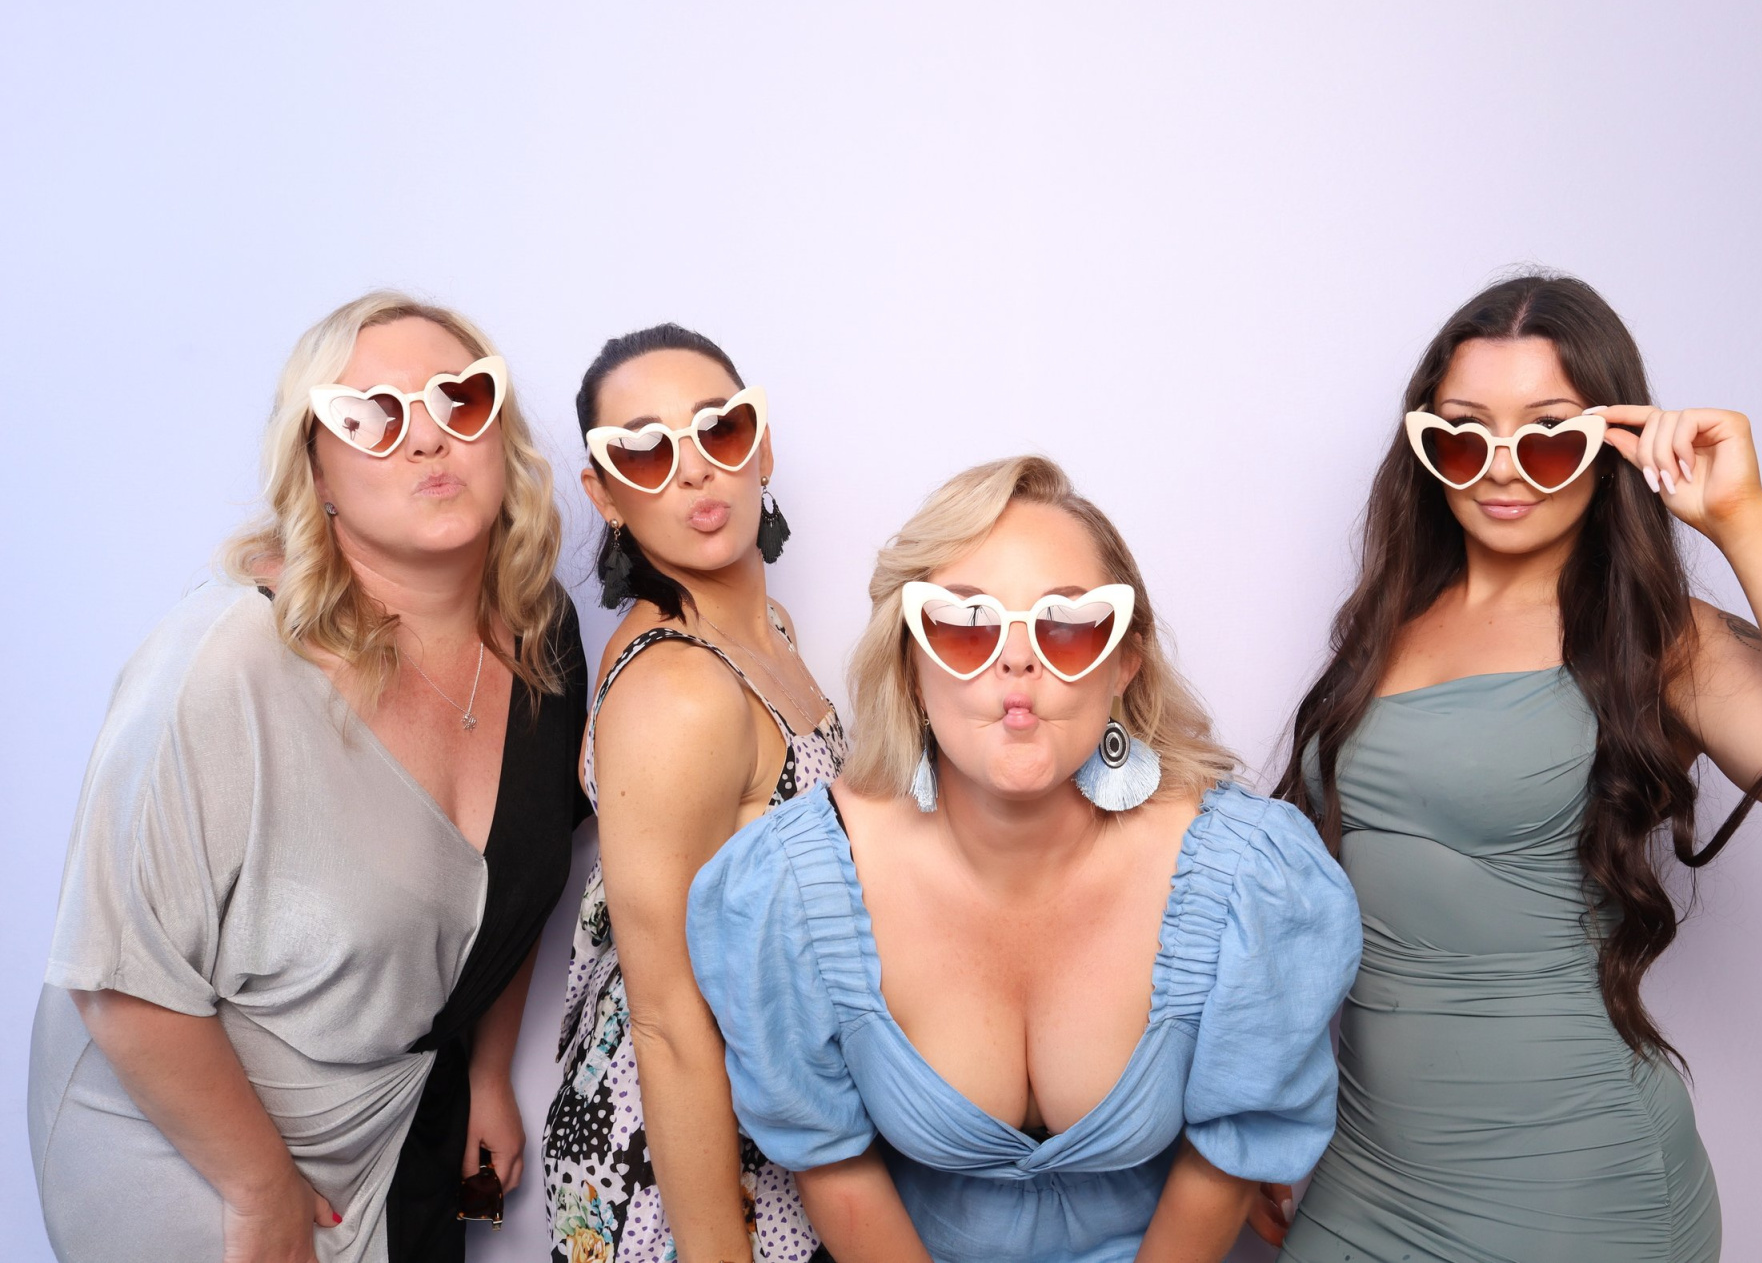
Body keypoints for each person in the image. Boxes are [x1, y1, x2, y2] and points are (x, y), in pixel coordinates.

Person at [1263, 273, 1762, 1263]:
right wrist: (1261, 1109)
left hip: (1572, 1187)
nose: (1500, 469)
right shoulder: (1384, 622)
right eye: (1462, 433)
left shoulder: (1657, 641)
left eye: (1547, 433)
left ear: (1608, 442)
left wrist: (1742, 518)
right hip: (1367, 1170)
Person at [686, 455, 1363, 1263]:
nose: (1017, 661)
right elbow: (832, 1160)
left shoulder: (1251, 879)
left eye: (1069, 626)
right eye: (965, 624)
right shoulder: (793, 886)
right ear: (910, 659)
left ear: (1124, 662)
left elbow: (1229, 1156)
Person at [28, 291, 589, 1263]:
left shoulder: (539, 630)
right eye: (370, 416)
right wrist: (256, 1186)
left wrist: (487, 1067)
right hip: (190, 1151)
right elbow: (117, 975)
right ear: (314, 465)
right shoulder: (222, 664)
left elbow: (522, 869)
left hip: (396, 1120)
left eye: (460, 400)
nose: (426, 441)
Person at [543, 324, 844, 1263]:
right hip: (675, 1155)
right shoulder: (678, 691)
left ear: (758, 445)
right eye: (644, 448)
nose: (693, 470)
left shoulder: (768, 631)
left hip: (769, 1113)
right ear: (604, 494)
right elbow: (667, 1016)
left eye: (719, 430)